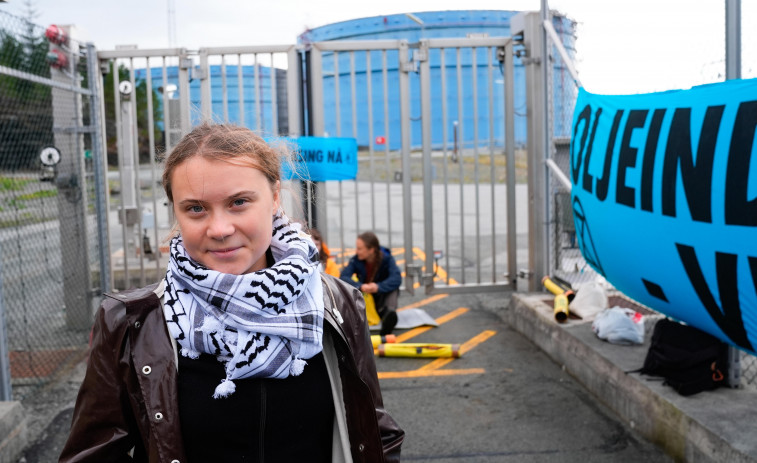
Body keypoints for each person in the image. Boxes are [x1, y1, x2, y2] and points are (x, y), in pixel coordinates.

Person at [59, 123, 404, 463]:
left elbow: (374, 433)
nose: (220, 229)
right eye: (195, 208)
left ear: (273, 198)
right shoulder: (132, 322)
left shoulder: (339, 303)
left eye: (239, 202)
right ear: (176, 211)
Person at [340, 232, 401, 336]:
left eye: (360, 249)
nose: (357, 251)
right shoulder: (356, 260)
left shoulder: (387, 259)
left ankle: (389, 315)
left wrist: (378, 287)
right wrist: (360, 286)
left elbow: (396, 278)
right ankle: (385, 317)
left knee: (393, 290)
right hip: (365, 296)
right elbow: (343, 277)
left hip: (381, 295)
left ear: (371, 250)